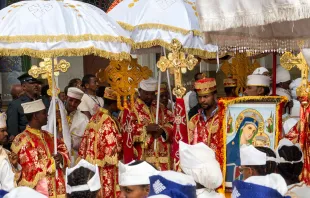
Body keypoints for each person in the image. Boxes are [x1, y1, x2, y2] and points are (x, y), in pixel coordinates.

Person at [11, 99, 70, 197]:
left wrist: (61, 156)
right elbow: (29, 167)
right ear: (35, 116)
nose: (47, 115)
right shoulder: (22, 140)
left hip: (57, 185)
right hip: (39, 190)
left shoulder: (49, 136)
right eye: (44, 113)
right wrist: (52, 163)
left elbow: (63, 148)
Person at [119, 78, 174, 170]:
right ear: (140, 91)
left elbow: (172, 121)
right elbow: (124, 131)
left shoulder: (159, 107)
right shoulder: (130, 109)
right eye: (146, 93)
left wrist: (162, 131)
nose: (150, 97)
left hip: (162, 154)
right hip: (142, 154)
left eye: (152, 94)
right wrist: (145, 129)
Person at [79, 87, 121, 198]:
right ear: (113, 104)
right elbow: (112, 148)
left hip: (93, 169)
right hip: (106, 168)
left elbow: (84, 144)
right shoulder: (108, 121)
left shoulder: (95, 117)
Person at [188, 78, 224, 171]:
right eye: (200, 97)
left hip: (219, 168)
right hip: (198, 170)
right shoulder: (194, 120)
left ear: (215, 95)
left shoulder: (223, 117)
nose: (202, 100)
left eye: (206, 96)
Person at [6, 73, 42, 143]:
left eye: (37, 83)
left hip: (41, 140)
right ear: (24, 87)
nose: (36, 85)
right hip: (25, 142)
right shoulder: (16, 104)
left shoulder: (42, 101)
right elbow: (13, 130)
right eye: (32, 83)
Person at [65, 88, 89, 164]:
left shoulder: (83, 119)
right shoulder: (55, 115)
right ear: (66, 98)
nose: (73, 104)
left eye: (76, 102)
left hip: (75, 158)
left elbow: (85, 143)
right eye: (71, 100)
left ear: (80, 103)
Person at [0, 113, 20, 192]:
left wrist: (14, 165)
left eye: (6, 130)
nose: (6, 134)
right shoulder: (3, 157)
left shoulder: (7, 153)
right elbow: (9, 189)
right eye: (2, 131)